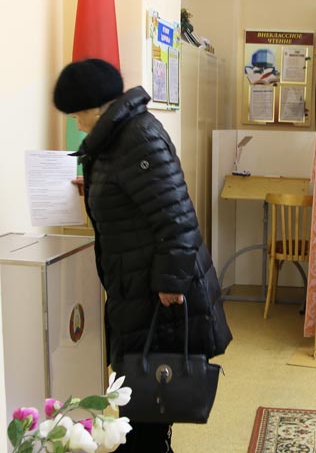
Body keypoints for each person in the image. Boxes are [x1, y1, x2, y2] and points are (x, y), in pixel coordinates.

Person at [53, 59, 233, 452]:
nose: (76, 124)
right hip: (136, 283)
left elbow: (178, 218)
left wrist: (170, 283)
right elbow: (139, 195)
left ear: (94, 107)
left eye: (76, 115)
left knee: (149, 386)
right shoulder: (118, 137)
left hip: (157, 291)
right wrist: (97, 189)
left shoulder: (136, 137)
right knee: (144, 390)